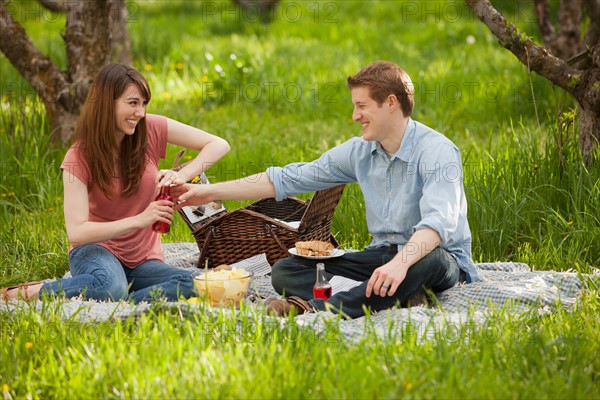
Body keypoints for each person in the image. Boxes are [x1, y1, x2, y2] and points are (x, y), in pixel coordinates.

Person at [171, 60, 480, 318]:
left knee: (426, 261)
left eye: (361, 106)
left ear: (390, 103)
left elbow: (437, 225)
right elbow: (288, 178)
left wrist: (401, 265)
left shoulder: (437, 151)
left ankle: (314, 307)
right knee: (286, 271)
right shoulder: (361, 151)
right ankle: (393, 294)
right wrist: (209, 193)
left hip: (437, 260)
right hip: (381, 257)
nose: (355, 116)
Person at [1, 63, 230, 302]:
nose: (140, 112)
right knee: (109, 286)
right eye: (132, 103)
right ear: (106, 103)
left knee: (197, 285)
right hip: (95, 250)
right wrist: (140, 220)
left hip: (143, 260)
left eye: (143, 104)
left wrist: (182, 175)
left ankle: (123, 299)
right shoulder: (78, 157)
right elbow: (77, 232)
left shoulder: (150, 128)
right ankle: (30, 292)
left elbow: (218, 144)